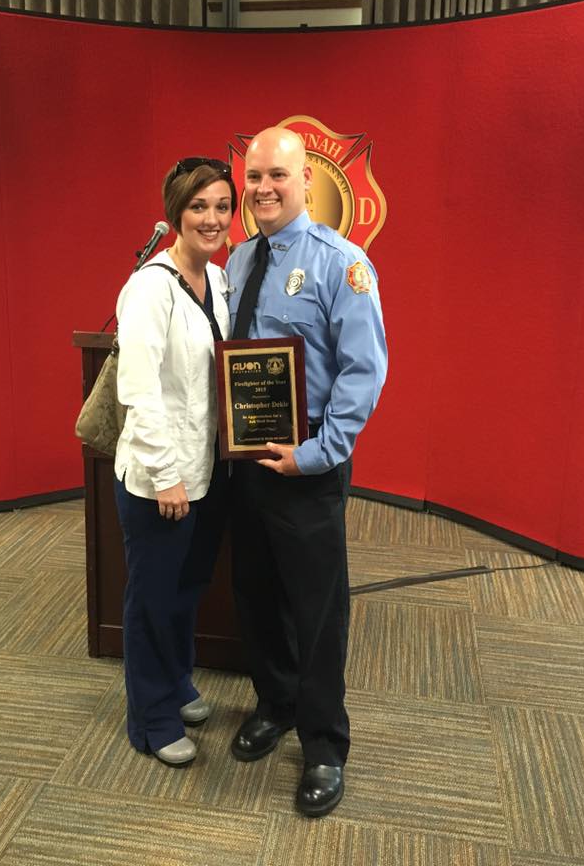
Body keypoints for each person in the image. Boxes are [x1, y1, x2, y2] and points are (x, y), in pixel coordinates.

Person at [225, 126, 387, 816]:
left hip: (308, 463)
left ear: (307, 182)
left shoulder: (341, 264)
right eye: (254, 176)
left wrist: (315, 453)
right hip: (247, 460)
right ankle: (276, 702)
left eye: (277, 176)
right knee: (257, 592)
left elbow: (363, 372)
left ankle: (323, 742)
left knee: (318, 608)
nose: (263, 188)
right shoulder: (238, 259)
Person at [113, 157, 236, 766]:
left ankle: (178, 681)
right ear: (175, 212)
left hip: (207, 471)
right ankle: (151, 717)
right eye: (198, 206)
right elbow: (139, 392)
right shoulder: (150, 287)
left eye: (222, 206)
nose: (212, 219)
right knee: (153, 599)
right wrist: (166, 477)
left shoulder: (219, 279)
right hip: (159, 480)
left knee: (187, 589)